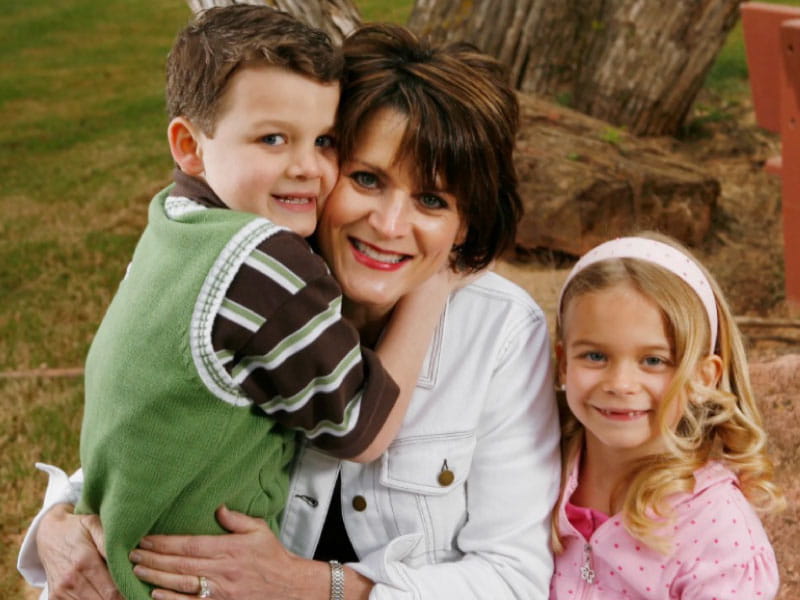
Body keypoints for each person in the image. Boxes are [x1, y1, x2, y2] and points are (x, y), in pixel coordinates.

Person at [18, 22, 562, 600]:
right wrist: (58, 522)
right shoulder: (233, 277)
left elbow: (513, 578)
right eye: (367, 178)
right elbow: (148, 425)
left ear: (467, 223)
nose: (390, 225)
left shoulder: (501, 333)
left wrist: (312, 586)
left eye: (432, 200)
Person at [548, 233, 784, 599]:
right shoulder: (541, 470)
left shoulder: (717, 530)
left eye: (654, 361)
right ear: (563, 364)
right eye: (595, 356)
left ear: (702, 377)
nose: (621, 384)